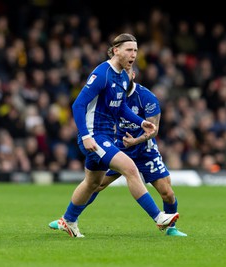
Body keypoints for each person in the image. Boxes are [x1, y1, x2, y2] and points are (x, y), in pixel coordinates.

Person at [48, 33, 179, 238]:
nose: (133, 54)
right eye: (129, 49)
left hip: (106, 136)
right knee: (130, 169)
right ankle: (158, 217)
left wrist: (141, 121)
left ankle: (69, 220)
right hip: (95, 136)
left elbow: (120, 108)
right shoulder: (103, 73)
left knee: (92, 183)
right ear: (115, 50)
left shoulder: (121, 76)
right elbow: (78, 104)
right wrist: (85, 135)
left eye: (135, 50)